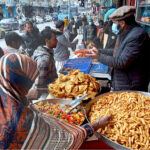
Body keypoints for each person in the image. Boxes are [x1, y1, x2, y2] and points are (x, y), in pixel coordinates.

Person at [0, 53, 111, 149]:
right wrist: (93, 126)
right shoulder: (22, 121)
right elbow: (63, 143)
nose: (29, 88)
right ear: (20, 83)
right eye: (29, 84)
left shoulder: (6, 92)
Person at [85, 6, 150, 92]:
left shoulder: (137, 35)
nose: (113, 25)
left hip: (131, 86)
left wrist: (99, 56)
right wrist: (99, 51)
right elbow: (116, 52)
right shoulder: (124, 33)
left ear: (122, 23)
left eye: (114, 23)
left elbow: (121, 62)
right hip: (123, 82)